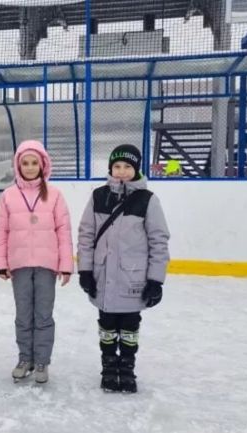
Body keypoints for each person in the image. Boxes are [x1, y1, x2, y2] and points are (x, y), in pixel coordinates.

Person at [77, 144, 170, 393]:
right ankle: (108, 368)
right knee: (106, 324)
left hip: (133, 279)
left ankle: (127, 369)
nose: (121, 172)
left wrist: (155, 280)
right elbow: (86, 235)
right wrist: (85, 270)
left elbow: (158, 241)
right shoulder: (99, 196)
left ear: (136, 169)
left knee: (129, 326)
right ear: (110, 168)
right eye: (117, 166)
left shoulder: (147, 200)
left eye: (127, 167)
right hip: (103, 277)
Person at [0, 140, 73, 384]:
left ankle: (41, 362)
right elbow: (1, 232)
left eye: (34, 162)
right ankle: (25, 358)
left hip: (47, 265)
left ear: (42, 164)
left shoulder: (55, 195)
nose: (29, 167)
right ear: (18, 166)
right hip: (20, 265)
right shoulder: (8, 196)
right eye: (25, 163)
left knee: (43, 315)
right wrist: (1, 263)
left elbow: (64, 231)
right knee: (23, 315)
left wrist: (66, 265)